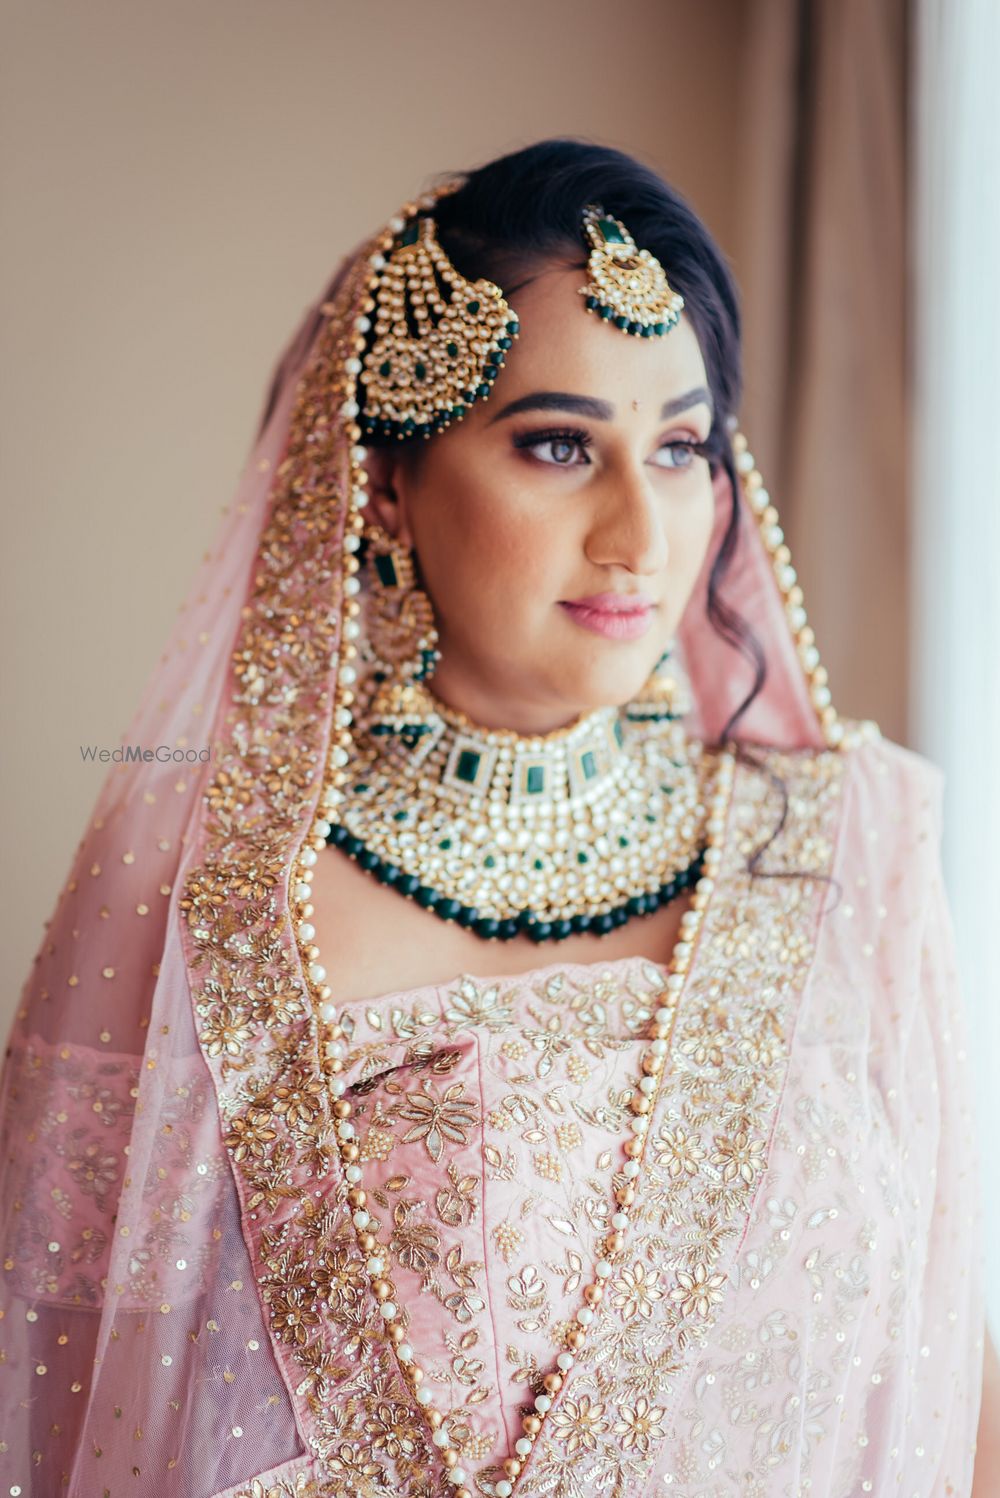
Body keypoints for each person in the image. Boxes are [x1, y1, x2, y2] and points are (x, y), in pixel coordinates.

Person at [0, 138, 988, 1498]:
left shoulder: (845, 845)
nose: (641, 528)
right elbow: (69, 1403)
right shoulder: (208, 882)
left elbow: (954, 1389)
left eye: (683, 445)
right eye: (560, 445)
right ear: (390, 480)